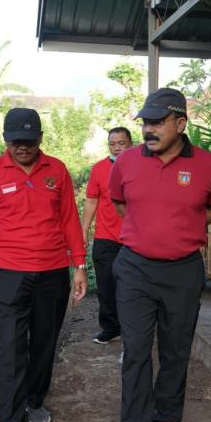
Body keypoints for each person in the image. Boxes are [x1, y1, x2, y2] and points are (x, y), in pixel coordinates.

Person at [109, 88, 211, 422]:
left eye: (158, 122)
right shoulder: (127, 161)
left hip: (182, 271)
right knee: (136, 348)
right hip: (134, 269)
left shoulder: (208, 165)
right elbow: (120, 203)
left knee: (176, 349)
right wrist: (149, 228)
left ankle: (165, 419)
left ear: (180, 123)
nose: (149, 129)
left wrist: (180, 227)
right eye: (146, 122)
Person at [0, 108, 88, 422]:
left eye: (29, 142)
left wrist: (79, 265)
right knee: (11, 349)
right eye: (16, 142)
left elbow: (69, 220)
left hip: (52, 273)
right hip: (8, 273)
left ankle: (34, 400)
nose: (23, 148)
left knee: (45, 344)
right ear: (6, 140)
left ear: (40, 139)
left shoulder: (57, 170)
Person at [81, 127, 133, 344]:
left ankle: (132, 328)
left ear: (130, 143)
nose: (117, 147)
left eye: (121, 143)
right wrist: (83, 231)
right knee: (106, 285)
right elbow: (92, 200)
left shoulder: (140, 165)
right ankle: (110, 327)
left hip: (133, 238)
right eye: (112, 144)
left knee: (132, 286)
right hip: (106, 237)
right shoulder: (99, 169)